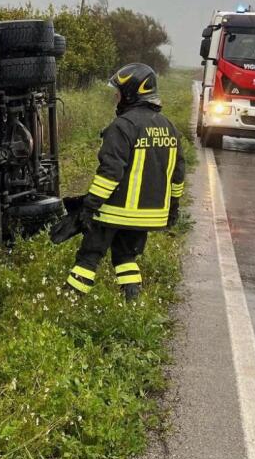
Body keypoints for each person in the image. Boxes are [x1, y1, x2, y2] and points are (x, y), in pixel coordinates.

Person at [53, 62, 185, 301]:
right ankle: (132, 301)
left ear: (131, 93)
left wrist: (89, 207)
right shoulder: (169, 127)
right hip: (149, 214)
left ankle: (69, 302)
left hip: (114, 211)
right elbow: (178, 174)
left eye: (119, 92)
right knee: (125, 257)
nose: (116, 97)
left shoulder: (122, 127)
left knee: (89, 256)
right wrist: (173, 207)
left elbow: (110, 173)